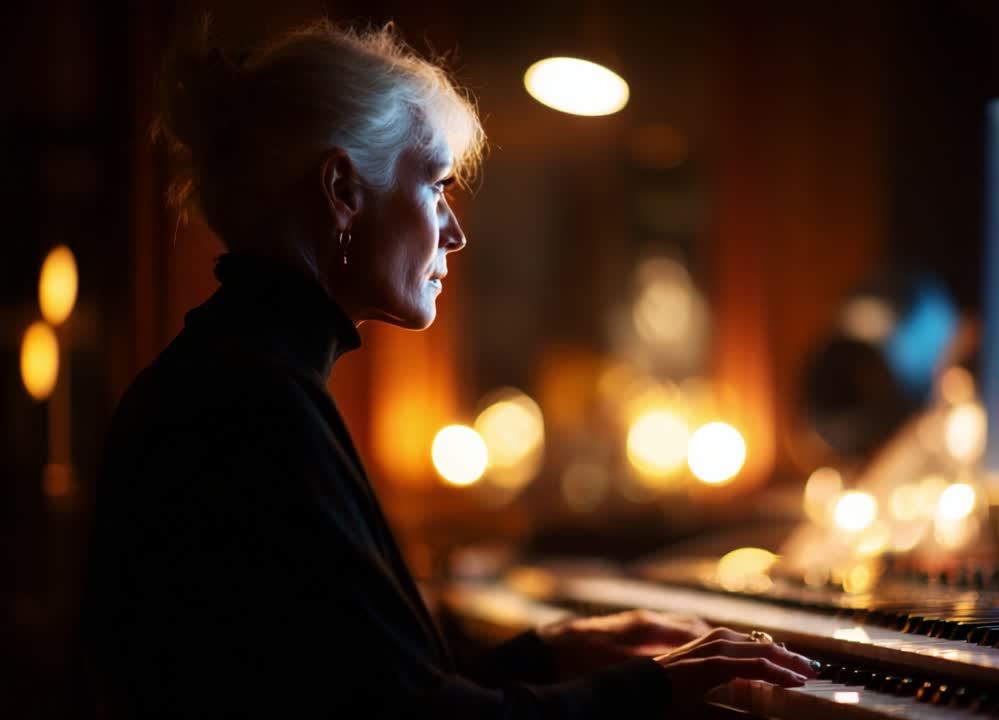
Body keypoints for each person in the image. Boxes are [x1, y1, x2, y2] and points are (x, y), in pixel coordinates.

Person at [81, 19, 820, 719]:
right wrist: (650, 688)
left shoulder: (238, 373)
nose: (455, 232)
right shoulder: (254, 405)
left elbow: (364, 693)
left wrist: (549, 651)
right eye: (436, 185)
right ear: (342, 191)